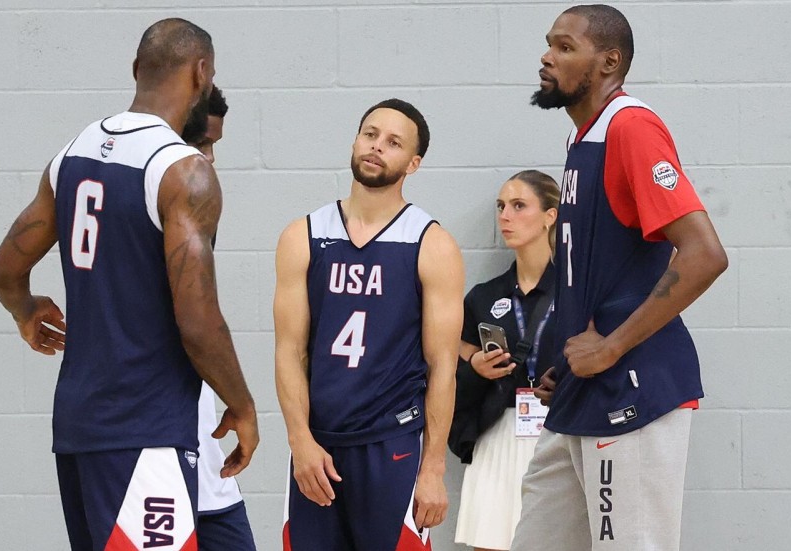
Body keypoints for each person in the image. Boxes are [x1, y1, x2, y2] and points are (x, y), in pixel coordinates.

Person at [0, 19, 259, 551]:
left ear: (137, 69)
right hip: (144, 430)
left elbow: (5, 272)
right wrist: (243, 405)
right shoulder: (183, 171)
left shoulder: (72, 153)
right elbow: (198, 322)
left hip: (79, 426)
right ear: (202, 72)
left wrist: (26, 309)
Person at [511, 5, 728, 551]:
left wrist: (609, 347)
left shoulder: (631, 127)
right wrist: (569, 359)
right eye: (549, 44)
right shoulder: (582, 139)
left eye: (565, 47)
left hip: (632, 387)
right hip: (581, 390)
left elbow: (704, 254)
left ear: (609, 62)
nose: (547, 57)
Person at [273, 98, 464, 551]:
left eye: (394, 143)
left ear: (413, 164)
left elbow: (443, 366)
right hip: (318, 447)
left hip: (391, 445)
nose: (377, 146)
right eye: (370, 134)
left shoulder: (431, 244)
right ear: (355, 141)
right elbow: (289, 351)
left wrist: (433, 468)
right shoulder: (303, 235)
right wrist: (299, 440)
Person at [448, 171, 560, 551]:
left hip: (559, 433)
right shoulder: (484, 297)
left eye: (518, 205)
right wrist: (476, 369)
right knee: (490, 542)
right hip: (498, 433)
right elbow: (450, 373)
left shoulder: (575, 292)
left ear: (549, 216)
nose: (505, 216)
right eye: (501, 206)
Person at [178, 85, 257, 551]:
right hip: (153, 445)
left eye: (213, 145)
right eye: (200, 143)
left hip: (203, 447)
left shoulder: (196, 201)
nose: (208, 157)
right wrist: (243, 406)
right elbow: (198, 324)